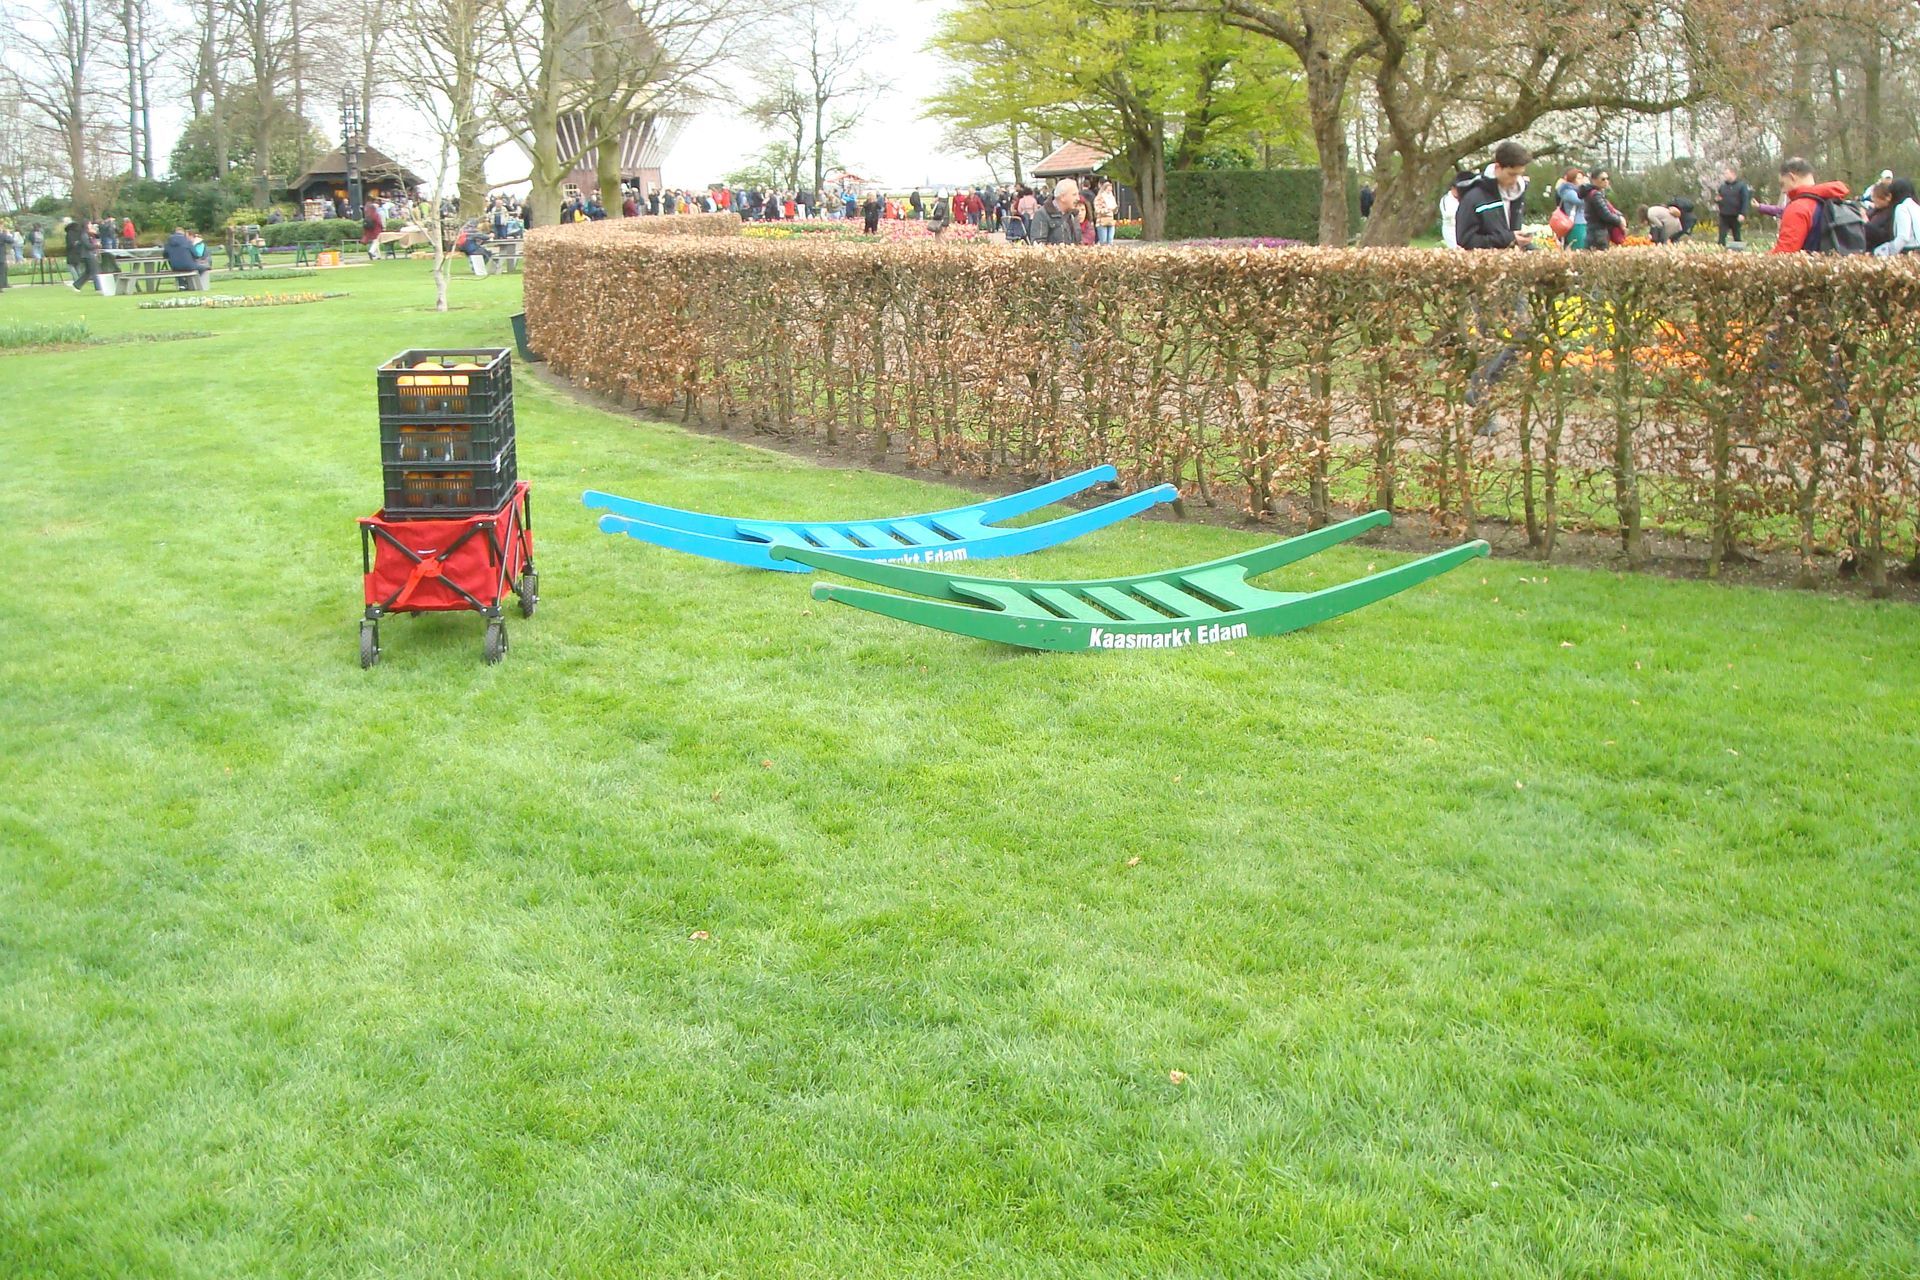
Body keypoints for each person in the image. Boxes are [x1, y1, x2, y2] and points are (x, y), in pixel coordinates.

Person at [1453, 141, 1531, 250]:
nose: (1515, 180)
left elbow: (1513, 234)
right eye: (1511, 174)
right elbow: (1466, 240)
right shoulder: (1473, 197)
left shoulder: (1517, 194)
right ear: (1497, 167)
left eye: (1519, 174)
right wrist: (1509, 239)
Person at [1771, 157, 1851, 253]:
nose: (1783, 190)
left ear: (1791, 177)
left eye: (1782, 184)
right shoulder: (1834, 201)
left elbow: (1784, 253)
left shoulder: (1798, 207)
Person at [1027, 178, 1083, 245]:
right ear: (1062, 197)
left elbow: (1079, 242)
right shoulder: (1042, 214)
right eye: (1074, 195)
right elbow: (1038, 244)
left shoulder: (1073, 215)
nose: (1078, 198)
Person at [1875, 179, 1920, 255]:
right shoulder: (1916, 206)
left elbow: (1903, 237)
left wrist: (1889, 251)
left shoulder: (1901, 208)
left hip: (1908, 250)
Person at [1583, 173, 1624, 250]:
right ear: (1594, 180)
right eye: (1603, 179)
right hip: (1598, 233)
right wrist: (1619, 221)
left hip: (1594, 232)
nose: (1606, 181)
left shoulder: (1596, 193)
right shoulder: (1596, 195)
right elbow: (1605, 214)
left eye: (1607, 179)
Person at [1714, 165, 1750, 247]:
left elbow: (1745, 200)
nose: (1725, 175)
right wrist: (1717, 200)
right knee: (1722, 237)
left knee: (1737, 236)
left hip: (1736, 216)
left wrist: (1743, 213)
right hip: (1724, 215)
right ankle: (1720, 252)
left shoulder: (1741, 186)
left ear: (1733, 174)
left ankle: (1738, 253)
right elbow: (1719, 198)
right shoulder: (1723, 187)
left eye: (1726, 173)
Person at [67, 219, 102, 292]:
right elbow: (87, 246)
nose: (91, 225)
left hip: (87, 255)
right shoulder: (84, 235)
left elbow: (97, 236)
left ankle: (77, 285)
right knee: (95, 271)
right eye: (89, 224)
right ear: (86, 225)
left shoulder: (87, 234)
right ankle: (98, 288)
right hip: (88, 255)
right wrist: (96, 245)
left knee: (88, 272)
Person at [1439, 170, 1470, 250]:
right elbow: (1449, 215)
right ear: (1453, 188)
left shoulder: (1463, 199)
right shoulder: (1446, 200)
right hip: (1451, 231)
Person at [163, 225, 202, 289]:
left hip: (175, 267)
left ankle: (182, 285)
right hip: (189, 266)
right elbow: (196, 255)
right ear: (183, 233)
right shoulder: (187, 241)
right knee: (204, 268)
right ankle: (195, 285)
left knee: (178, 268)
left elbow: (165, 255)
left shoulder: (168, 243)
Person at [1093, 177, 1119, 245]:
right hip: (1102, 222)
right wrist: (1106, 210)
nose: (1109, 192)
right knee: (1103, 241)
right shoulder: (1099, 198)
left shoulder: (1112, 198)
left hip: (1110, 220)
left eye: (1110, 190)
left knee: (1110, 241)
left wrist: (1115, 209)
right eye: (1108, 190)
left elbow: (1114, 209)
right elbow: (1097, 210)